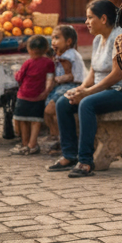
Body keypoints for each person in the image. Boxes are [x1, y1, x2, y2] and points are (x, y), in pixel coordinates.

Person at [48, 0, 122, 177]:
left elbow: (117, 75)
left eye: (90, 17)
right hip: (102, 91)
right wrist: (80, 89)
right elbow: (93, 72)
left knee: (86, 104)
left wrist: (87, 93)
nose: (86, 22)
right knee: (63, 103)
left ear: (103, 19)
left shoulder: (120, 37)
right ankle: (69, 156)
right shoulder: (98, 39)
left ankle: (85, 162)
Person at [43, 25, 85, 154]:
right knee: (50, 112)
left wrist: (56, 80)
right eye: (52, 38)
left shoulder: (68, 56)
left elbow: (70, 76)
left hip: (70, 86)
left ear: (68, 41)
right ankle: (59, 139)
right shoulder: (62, 54)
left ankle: (61, 139)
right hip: (63, 86)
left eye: (57, 38)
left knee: (50, 110)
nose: (53, 42)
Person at [10, 35, 55, 156]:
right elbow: (50, 78)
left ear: (29, 49)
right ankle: (32, 144)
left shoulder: (28, 63)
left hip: (24, 96)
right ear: (46, 49)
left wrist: (15, 72)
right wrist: (46, 92)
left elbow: (19, 78)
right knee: (36, 121)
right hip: (39, 96)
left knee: (23, 120)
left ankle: (25, 144)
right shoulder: (49, 63)